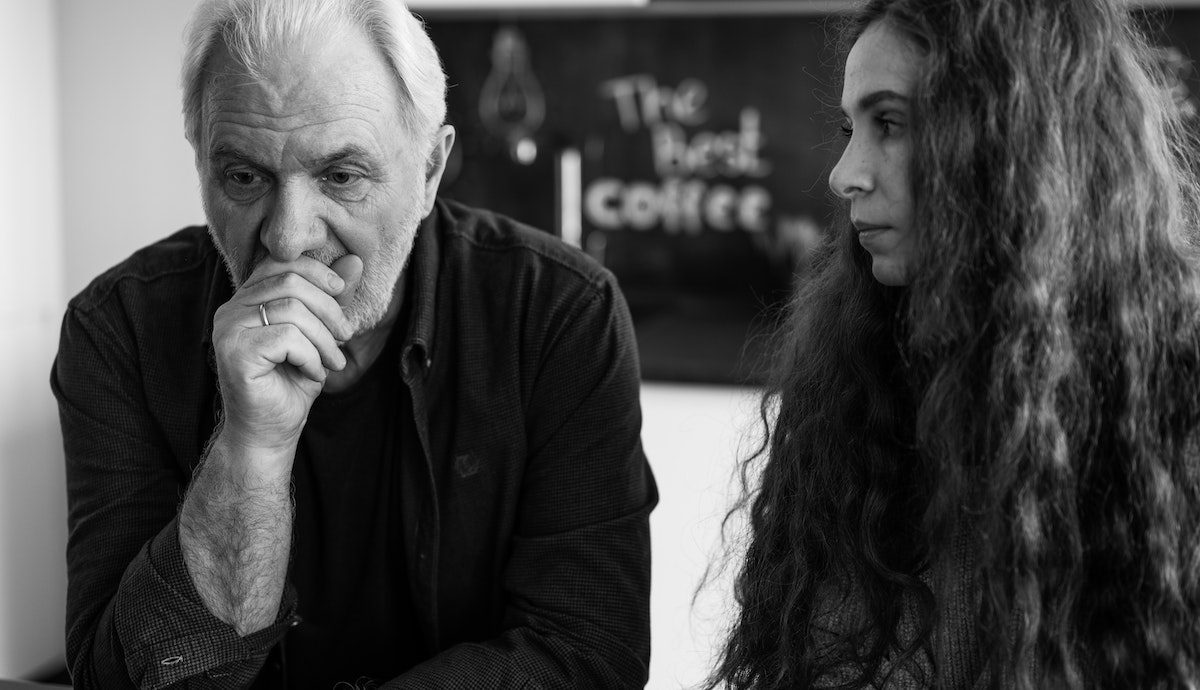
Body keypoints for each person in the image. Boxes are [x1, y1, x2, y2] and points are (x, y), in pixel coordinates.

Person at [50, 0, 656, 687]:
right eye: (244, 177)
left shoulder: (559, 315)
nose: (289, 237)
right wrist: (250, 449)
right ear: (201, 164)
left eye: (341, 176)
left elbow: (588, 654)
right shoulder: (119, 330)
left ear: (430, 170)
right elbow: (118, 679)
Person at [707, 0, 1200, 687]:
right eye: (850, 128)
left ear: (1008, 143)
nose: (844, 172)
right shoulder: (849, 384)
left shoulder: (1171, 403)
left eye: (890, 124)